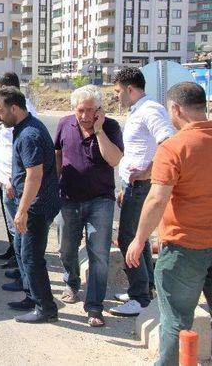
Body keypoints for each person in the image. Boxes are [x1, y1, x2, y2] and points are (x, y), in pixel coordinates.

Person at [125, 82, 212, 365]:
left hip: (185, 248)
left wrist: (139, 239)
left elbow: (157, 199)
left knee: (176, 320)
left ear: (175, 109)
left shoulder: (174, 147)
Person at [54, 85, 124, 327]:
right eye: (80, 110)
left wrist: (99, 130)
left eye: (90, 111)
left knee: (99, 255)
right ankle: (71, 282)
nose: (84, 116)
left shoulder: (111, 127)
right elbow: (58, 154)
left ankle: (94, 306)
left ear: (99, 110)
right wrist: (55, 183)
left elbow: (114, 159)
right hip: (68, 198)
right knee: (66, 247)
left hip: (100, 200)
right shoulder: (64, 124)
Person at [109, 67, 175, 317]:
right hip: (133, 185)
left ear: (130, 89)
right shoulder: (139, 110)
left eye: (117, 92)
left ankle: (139, 297)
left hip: (142, 185)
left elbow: (167, 142)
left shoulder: (150, 110)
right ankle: (145, 288)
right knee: (140, 237)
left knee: (128, 239)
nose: (116, 97)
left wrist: (148, 171)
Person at [0, 87, 60, 323]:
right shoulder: (24, 128)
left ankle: (46, 309)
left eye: (0, 111)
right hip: (31, 202)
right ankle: (32, 296)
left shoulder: (29, 135)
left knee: (31, 257)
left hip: (36, 207)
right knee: (22, 251)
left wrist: (21, 212)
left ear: (14, 108)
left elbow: (34, 176)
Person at [0, 73, 38, 295]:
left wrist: (10, 179)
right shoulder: (13, 116)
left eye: (0, 110)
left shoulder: (23, 119)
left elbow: (18, 153)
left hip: (13, 183)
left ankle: (27, 283)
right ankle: (22, 274)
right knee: (16, 234)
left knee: (20, 234)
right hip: (8, 181)